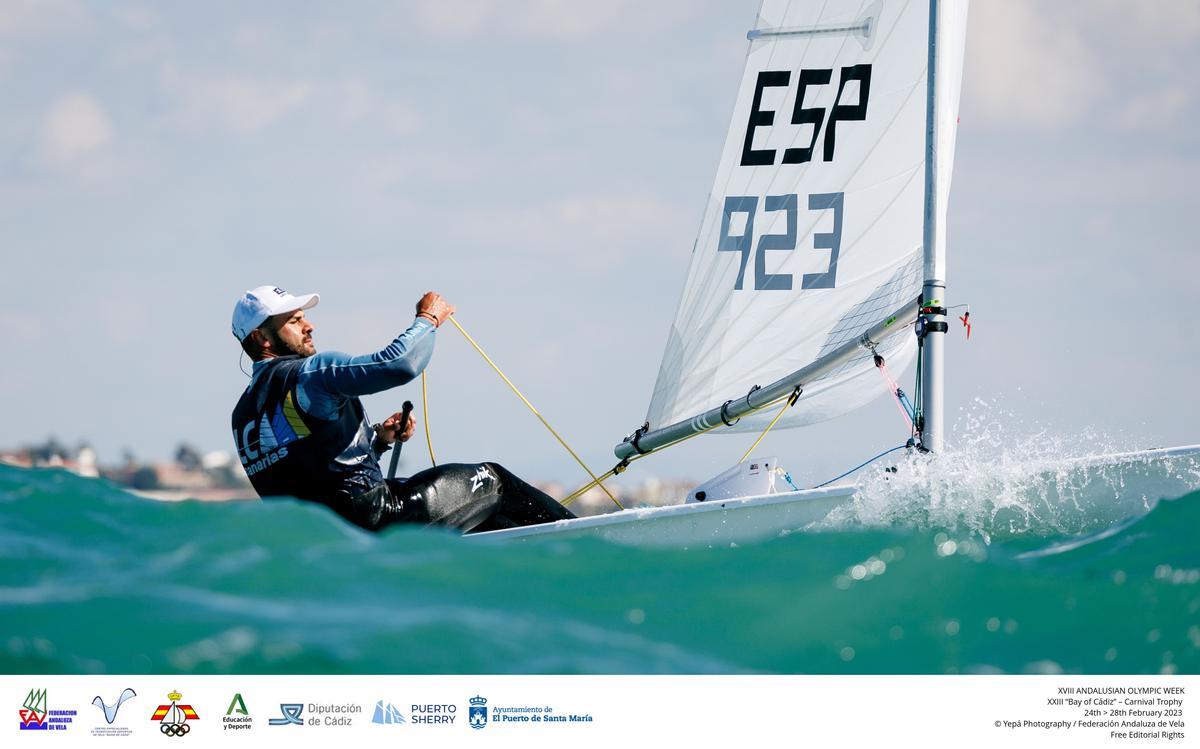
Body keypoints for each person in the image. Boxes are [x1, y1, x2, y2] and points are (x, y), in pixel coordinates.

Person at [230, 285, 575, 532]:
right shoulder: (312, 374)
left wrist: (378, 441)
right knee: (493, 482)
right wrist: (427, 319)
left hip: (329, 539)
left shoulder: (242, 415)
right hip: (378, 517)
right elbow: (399, 365)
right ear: (262, 338)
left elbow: (313, 474)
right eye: (294, 321)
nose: (310, 325)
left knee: (486, 516)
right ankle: (584, 540)